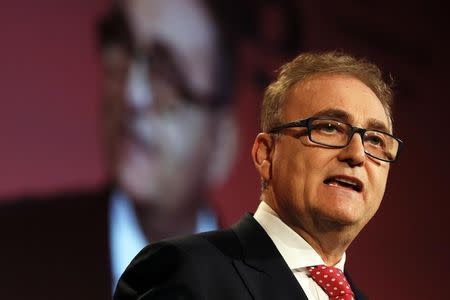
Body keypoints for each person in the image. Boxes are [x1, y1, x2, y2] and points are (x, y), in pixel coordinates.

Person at [113, 51, 404, 300]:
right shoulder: (186, 272)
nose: (357, 154)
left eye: (376, 140)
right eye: (329, 127)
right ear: (266, 154)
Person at [0, 1, 238, 299]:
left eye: (168, 74)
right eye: (122, 51)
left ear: (221, 143)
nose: (132, 94)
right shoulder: (12, 250)